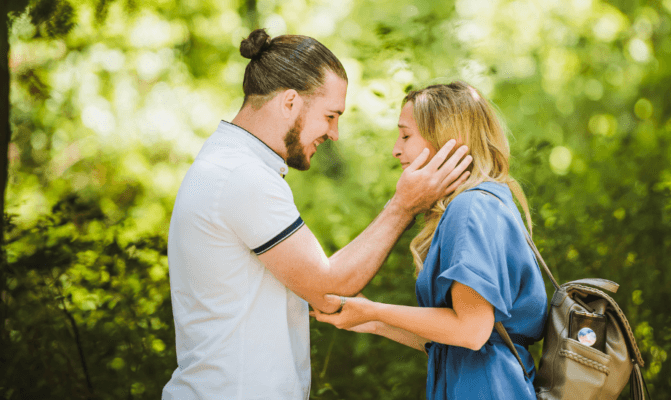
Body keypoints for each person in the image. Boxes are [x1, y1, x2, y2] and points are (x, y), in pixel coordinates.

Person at [162, 30, 473, 400]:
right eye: (330, 116)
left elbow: (318, 290)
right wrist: (403, 205)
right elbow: (329, 286)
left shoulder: (233, 166)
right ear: (290, 102)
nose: (335, 133)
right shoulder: (240, 176)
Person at [312, 81, 548, 399]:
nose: (396, 149)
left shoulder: (471, 208)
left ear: (448, 139)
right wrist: (373, 320)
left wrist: (377, 312)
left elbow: (471, 331)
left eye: (406, 135)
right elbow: (455, 343)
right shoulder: (486, 203)